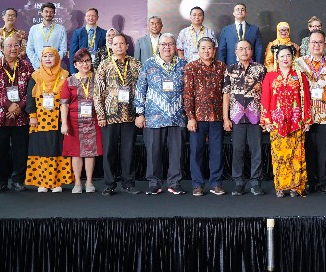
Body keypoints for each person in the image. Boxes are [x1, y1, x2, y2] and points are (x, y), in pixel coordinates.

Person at [134, 33, 187, 195]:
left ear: (175, 46)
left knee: (177, 153)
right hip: (153, 117)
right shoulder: (149, 64)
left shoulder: (183, 64)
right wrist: (139, 113)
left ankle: (175, 183)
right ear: (159, 47)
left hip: (177, 117)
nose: (167, 47)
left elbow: (189, 91)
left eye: (170, 44)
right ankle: (154, 183)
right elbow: (140, 89)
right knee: (153, 151)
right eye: (164, 44)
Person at [0, 35, 34, 192]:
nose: (13, 48)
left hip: (21, 117)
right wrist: (9, 105)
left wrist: (19, 106)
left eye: (16, 45)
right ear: (2, 49)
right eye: (9, 45)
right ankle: (0, 182)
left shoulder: (27, 67)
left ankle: (18, 180)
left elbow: (32, 91)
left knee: (21, 151)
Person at [295, 29, 326, 194]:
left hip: (325, 114)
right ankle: (309, 181)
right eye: (314, 42)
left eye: (320, 42)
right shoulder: (299, 63)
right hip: (305, 115)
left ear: (325, 44)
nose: (317, 45)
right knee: (307, 148)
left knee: (323, 149)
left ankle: (322, 182)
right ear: (308, 45)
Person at [95, 32, 143, 195]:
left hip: (130, 114)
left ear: (127, 46)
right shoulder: (104, 64)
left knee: (128, 151)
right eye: (115, 44)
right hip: (110, 115)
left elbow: (142, 89)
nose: (119, 46)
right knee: (109, 151)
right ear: (111, 46)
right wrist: (101, 115)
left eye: (122, 43)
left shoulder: (136, 64)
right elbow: (98, 92)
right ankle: (109, 184)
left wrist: (140, 113)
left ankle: (128, 183)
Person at [261, 45, 312, 197]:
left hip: (296, 121)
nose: (285, 59)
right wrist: (266, 121)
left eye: (288, 55)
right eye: (282, 56)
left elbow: (306, 99)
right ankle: (281, 186)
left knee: (295, 154)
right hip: (276, 122)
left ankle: (295, 186)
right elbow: (265, 99)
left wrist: (307, 120)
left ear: (293, 57)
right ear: (277, 59)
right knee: (279, 155)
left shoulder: (300, 76)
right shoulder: (270, 76)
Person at [25, 47, 74, 192]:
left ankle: (57, 182)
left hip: (59, 119)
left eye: (51, 56)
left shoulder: (65, 75)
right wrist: (32, 116)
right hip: (40, 120)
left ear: (57, 58)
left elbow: (70, 97)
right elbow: (30, 97)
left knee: (57, 148)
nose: (48, 59)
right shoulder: (36, 75)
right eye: (45, 56)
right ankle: (43, 182)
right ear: (41, 59)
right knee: (41, 149)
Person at [222, 39, 267, 196]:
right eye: (241, 49)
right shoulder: (230, 69)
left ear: (252, 51)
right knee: (238, 150)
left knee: (256, 151)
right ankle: (239, 182)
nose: (244, 51)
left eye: (247, 48)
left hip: (255, 116)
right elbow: (226, 94)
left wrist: (265, 117)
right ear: (235, 52)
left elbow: (265, 94)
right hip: (236, 117)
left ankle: (256, 182)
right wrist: (226, 118)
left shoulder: (260, 69)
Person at [184, 37, 228, 196]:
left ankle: (216, 183)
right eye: (203, 48)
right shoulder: (191, 67)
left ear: (214, 50)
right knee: (197, 152)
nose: (206, 51)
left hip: (217, 116)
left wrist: (226, 117)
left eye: (209, 48)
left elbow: (226, 93)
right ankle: (197, 184)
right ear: (198, 50)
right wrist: (190, 117)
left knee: (217, 151)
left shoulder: (221, 67)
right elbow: (188, 94)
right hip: (198, 117)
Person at [61, 48, 103, 193]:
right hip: (74, 122)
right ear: (75, 64)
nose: (85, 64)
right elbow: (64, 104)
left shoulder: (97, 78)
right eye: (81, 62)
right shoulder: (69, 80)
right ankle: (78, 183)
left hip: (93, 120)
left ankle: (89, 182)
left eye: (87, 61)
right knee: (76, 153)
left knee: (90, 152)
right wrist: (64, 123)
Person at [27, 2, 68, 69]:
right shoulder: (34, 29)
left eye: (51, 12)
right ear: (41, 13)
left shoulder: (61, 29)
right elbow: (29, 49)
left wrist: (54, 63)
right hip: (38, 69)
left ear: (54, 13)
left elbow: (63, 49)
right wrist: (39, 65)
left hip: (55, 68)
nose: (49, 14)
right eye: (46, 11)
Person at [68, 7, 107, 72]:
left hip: (99, 67)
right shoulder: (77, 33)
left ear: (97, 17)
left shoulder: (104, 33)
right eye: (88, 16)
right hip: (82, 65)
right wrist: (73, 72)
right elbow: (73, 53)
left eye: (93, 16)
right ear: (85, 17)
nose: (91, 18)